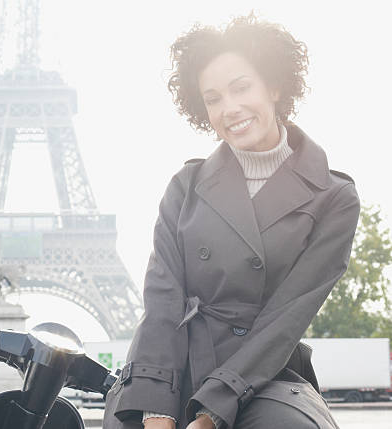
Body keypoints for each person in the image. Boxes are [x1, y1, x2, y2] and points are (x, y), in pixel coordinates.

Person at [103, 14, 360, 429]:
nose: (229, 109)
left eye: (241, 88)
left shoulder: (334, 197)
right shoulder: (184, 186)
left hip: (264, 375)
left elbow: (286, 318)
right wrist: (156, 410)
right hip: (170, 368)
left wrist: (209, 414)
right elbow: (162, 300)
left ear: (274, 85)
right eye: (213, 98)